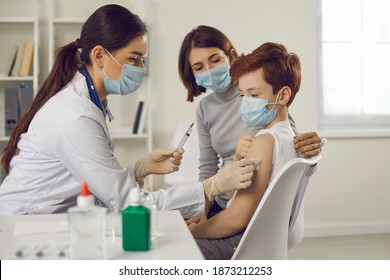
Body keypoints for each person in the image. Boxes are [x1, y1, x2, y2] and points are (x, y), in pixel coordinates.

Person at [0, 5, 258, 217]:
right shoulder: (75, 117)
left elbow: (98, 177)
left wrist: (139, 168)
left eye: (142, 59)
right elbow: (125, 203)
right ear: (100, 56)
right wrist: (213, 186)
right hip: (25, 228)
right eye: (133, 59)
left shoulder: (88, 103)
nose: (141, 68)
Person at [178, 25, 322, 215]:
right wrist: (201, 214)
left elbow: (291, 144)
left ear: (230, 56)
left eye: (215, 60)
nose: (209, 70)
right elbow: (208, 168)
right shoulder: (205, 108)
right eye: (199, 67)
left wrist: (309, 149)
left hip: (254, 202)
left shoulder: (256, 94)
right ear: (192, 73)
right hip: (224, 198)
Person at [188, 41, 304, 259]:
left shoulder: (265, 141)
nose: (246, 103)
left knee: (169, 249)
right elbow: (233, 193)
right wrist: (237, 158)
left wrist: (192, 232)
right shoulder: (284, 136)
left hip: (241, 240)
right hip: (259, 237)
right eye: (243, 95)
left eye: (254, 94)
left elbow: (236, 218)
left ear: (284, 95)